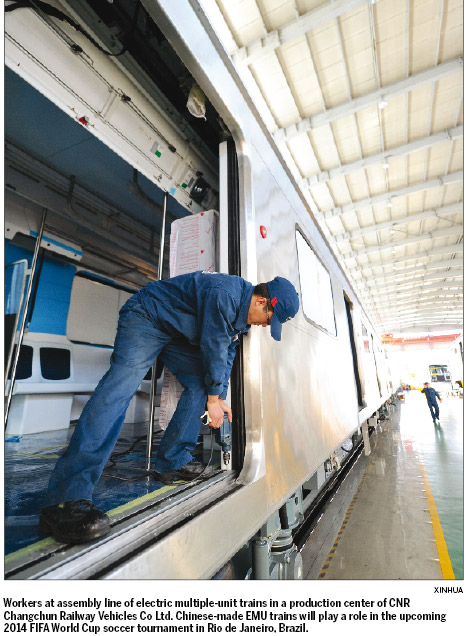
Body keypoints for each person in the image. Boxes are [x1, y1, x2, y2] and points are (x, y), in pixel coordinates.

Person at [39, 271, 299, 544]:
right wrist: (213, 400)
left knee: (202, 385)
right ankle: (65, 499)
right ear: (261, 302)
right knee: (117, 391)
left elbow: (227, 352)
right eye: (269, 320)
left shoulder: (243, 314)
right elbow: (213, 347)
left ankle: (172, 461)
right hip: (146, 317)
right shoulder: (226, 295)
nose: (265, 326)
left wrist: (219, 397)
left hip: (174, 335)